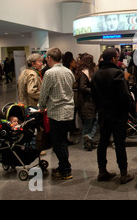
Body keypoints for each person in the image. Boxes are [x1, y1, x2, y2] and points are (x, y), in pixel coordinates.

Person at [91, 48, 134, 183]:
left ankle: (102, 171)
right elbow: (124, 96)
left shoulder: (96, 75)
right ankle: (124, 173)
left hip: (103, 114)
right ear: (114, 59)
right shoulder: (117, 73)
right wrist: (130, 110)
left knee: (103, 142)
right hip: (118, 114)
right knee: (119, 143)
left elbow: (94, 96)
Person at [38, 47, 75, 180]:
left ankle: (65, 169)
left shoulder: (49, 73)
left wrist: (41, 107)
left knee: (58, 142)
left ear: (49, 58)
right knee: (63, 140)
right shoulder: (68, 71)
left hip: (56, 111)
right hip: (68, 110)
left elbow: (43, 93)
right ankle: (62, 166)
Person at [75, 54, 98, 151]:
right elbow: (83, 87)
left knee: (92, 121)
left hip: (87, 102)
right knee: (90, 122)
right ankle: (88, 139)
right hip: (87, 102)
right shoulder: (85, 73)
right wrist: (94, 90)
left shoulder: (83, 72)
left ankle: (89, 139)